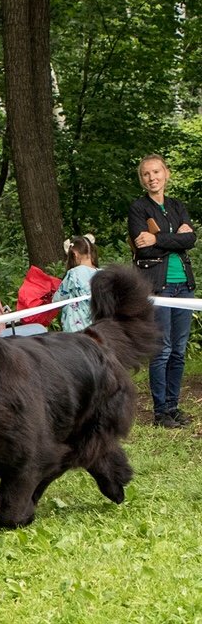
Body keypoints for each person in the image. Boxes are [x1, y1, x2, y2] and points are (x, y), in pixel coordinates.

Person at [128, 153, 196, 429]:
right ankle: (160, 411)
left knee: (178, 350)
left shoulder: (177, 206)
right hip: (157, 286)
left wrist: (158, 237)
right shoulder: (138, 209)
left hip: (185, 287)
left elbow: (190, 239)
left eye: (156, 172)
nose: (152, 177)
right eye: (146, 174)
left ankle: (173, 405)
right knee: (163, 349)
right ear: (142, 179)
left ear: (166, 174)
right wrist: (174, 238)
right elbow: (142, 246)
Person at [52, 234, 99, 332]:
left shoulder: (74, 274)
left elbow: (57, 300)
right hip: (99, 327)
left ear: (75, 254)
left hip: (77, 329)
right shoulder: (102, 274)